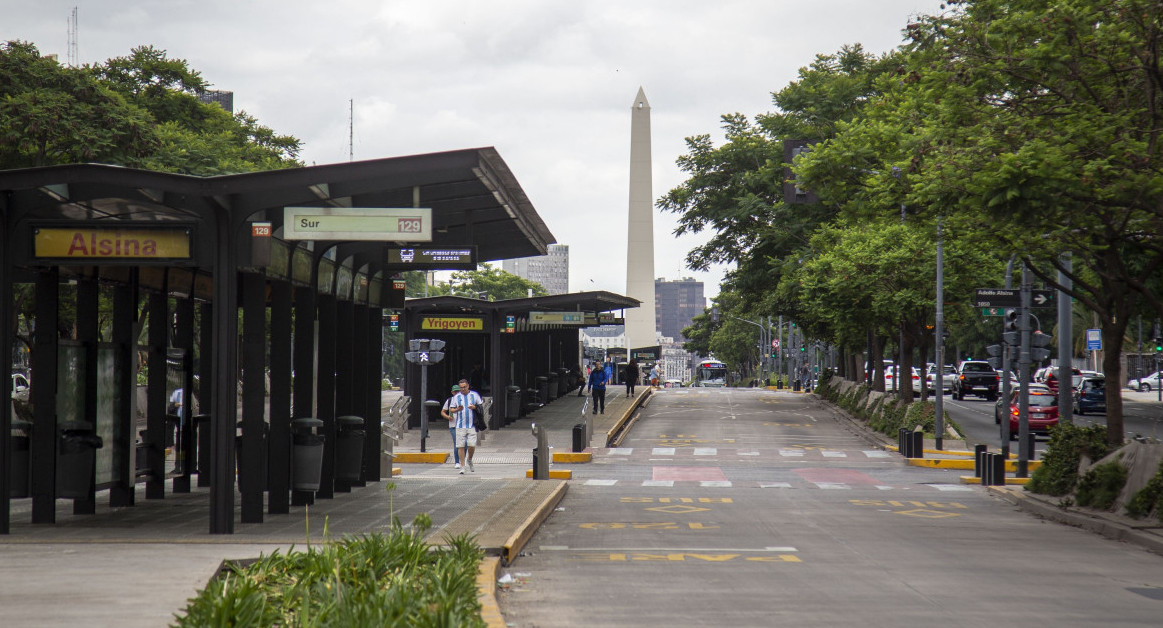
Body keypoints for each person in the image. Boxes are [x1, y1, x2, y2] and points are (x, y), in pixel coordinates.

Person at [447, 378, 483, 474]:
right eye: (461, 388)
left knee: (471, 445)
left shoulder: (474, 395)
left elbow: (480, 407)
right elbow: (451, 409)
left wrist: (474, 407)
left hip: (471, 425)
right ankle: (463, 466)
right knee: (460, 446)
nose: (463, 389)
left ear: (468, 386)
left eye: (464, 387)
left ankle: (469, 459)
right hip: (460, 425)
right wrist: (458, 409)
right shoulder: (456, 397)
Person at [440, 384, 462, 468]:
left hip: (463, 425)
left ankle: (462, 459)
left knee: (464, 443)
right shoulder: (449, 401)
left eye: (458, 391)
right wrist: (447, 417)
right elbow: (443, 411)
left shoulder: (463, 400)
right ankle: (457, 461)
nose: (456, 393)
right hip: (453, 425)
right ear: (452, 392)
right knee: (457, 443)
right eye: (455, 391)